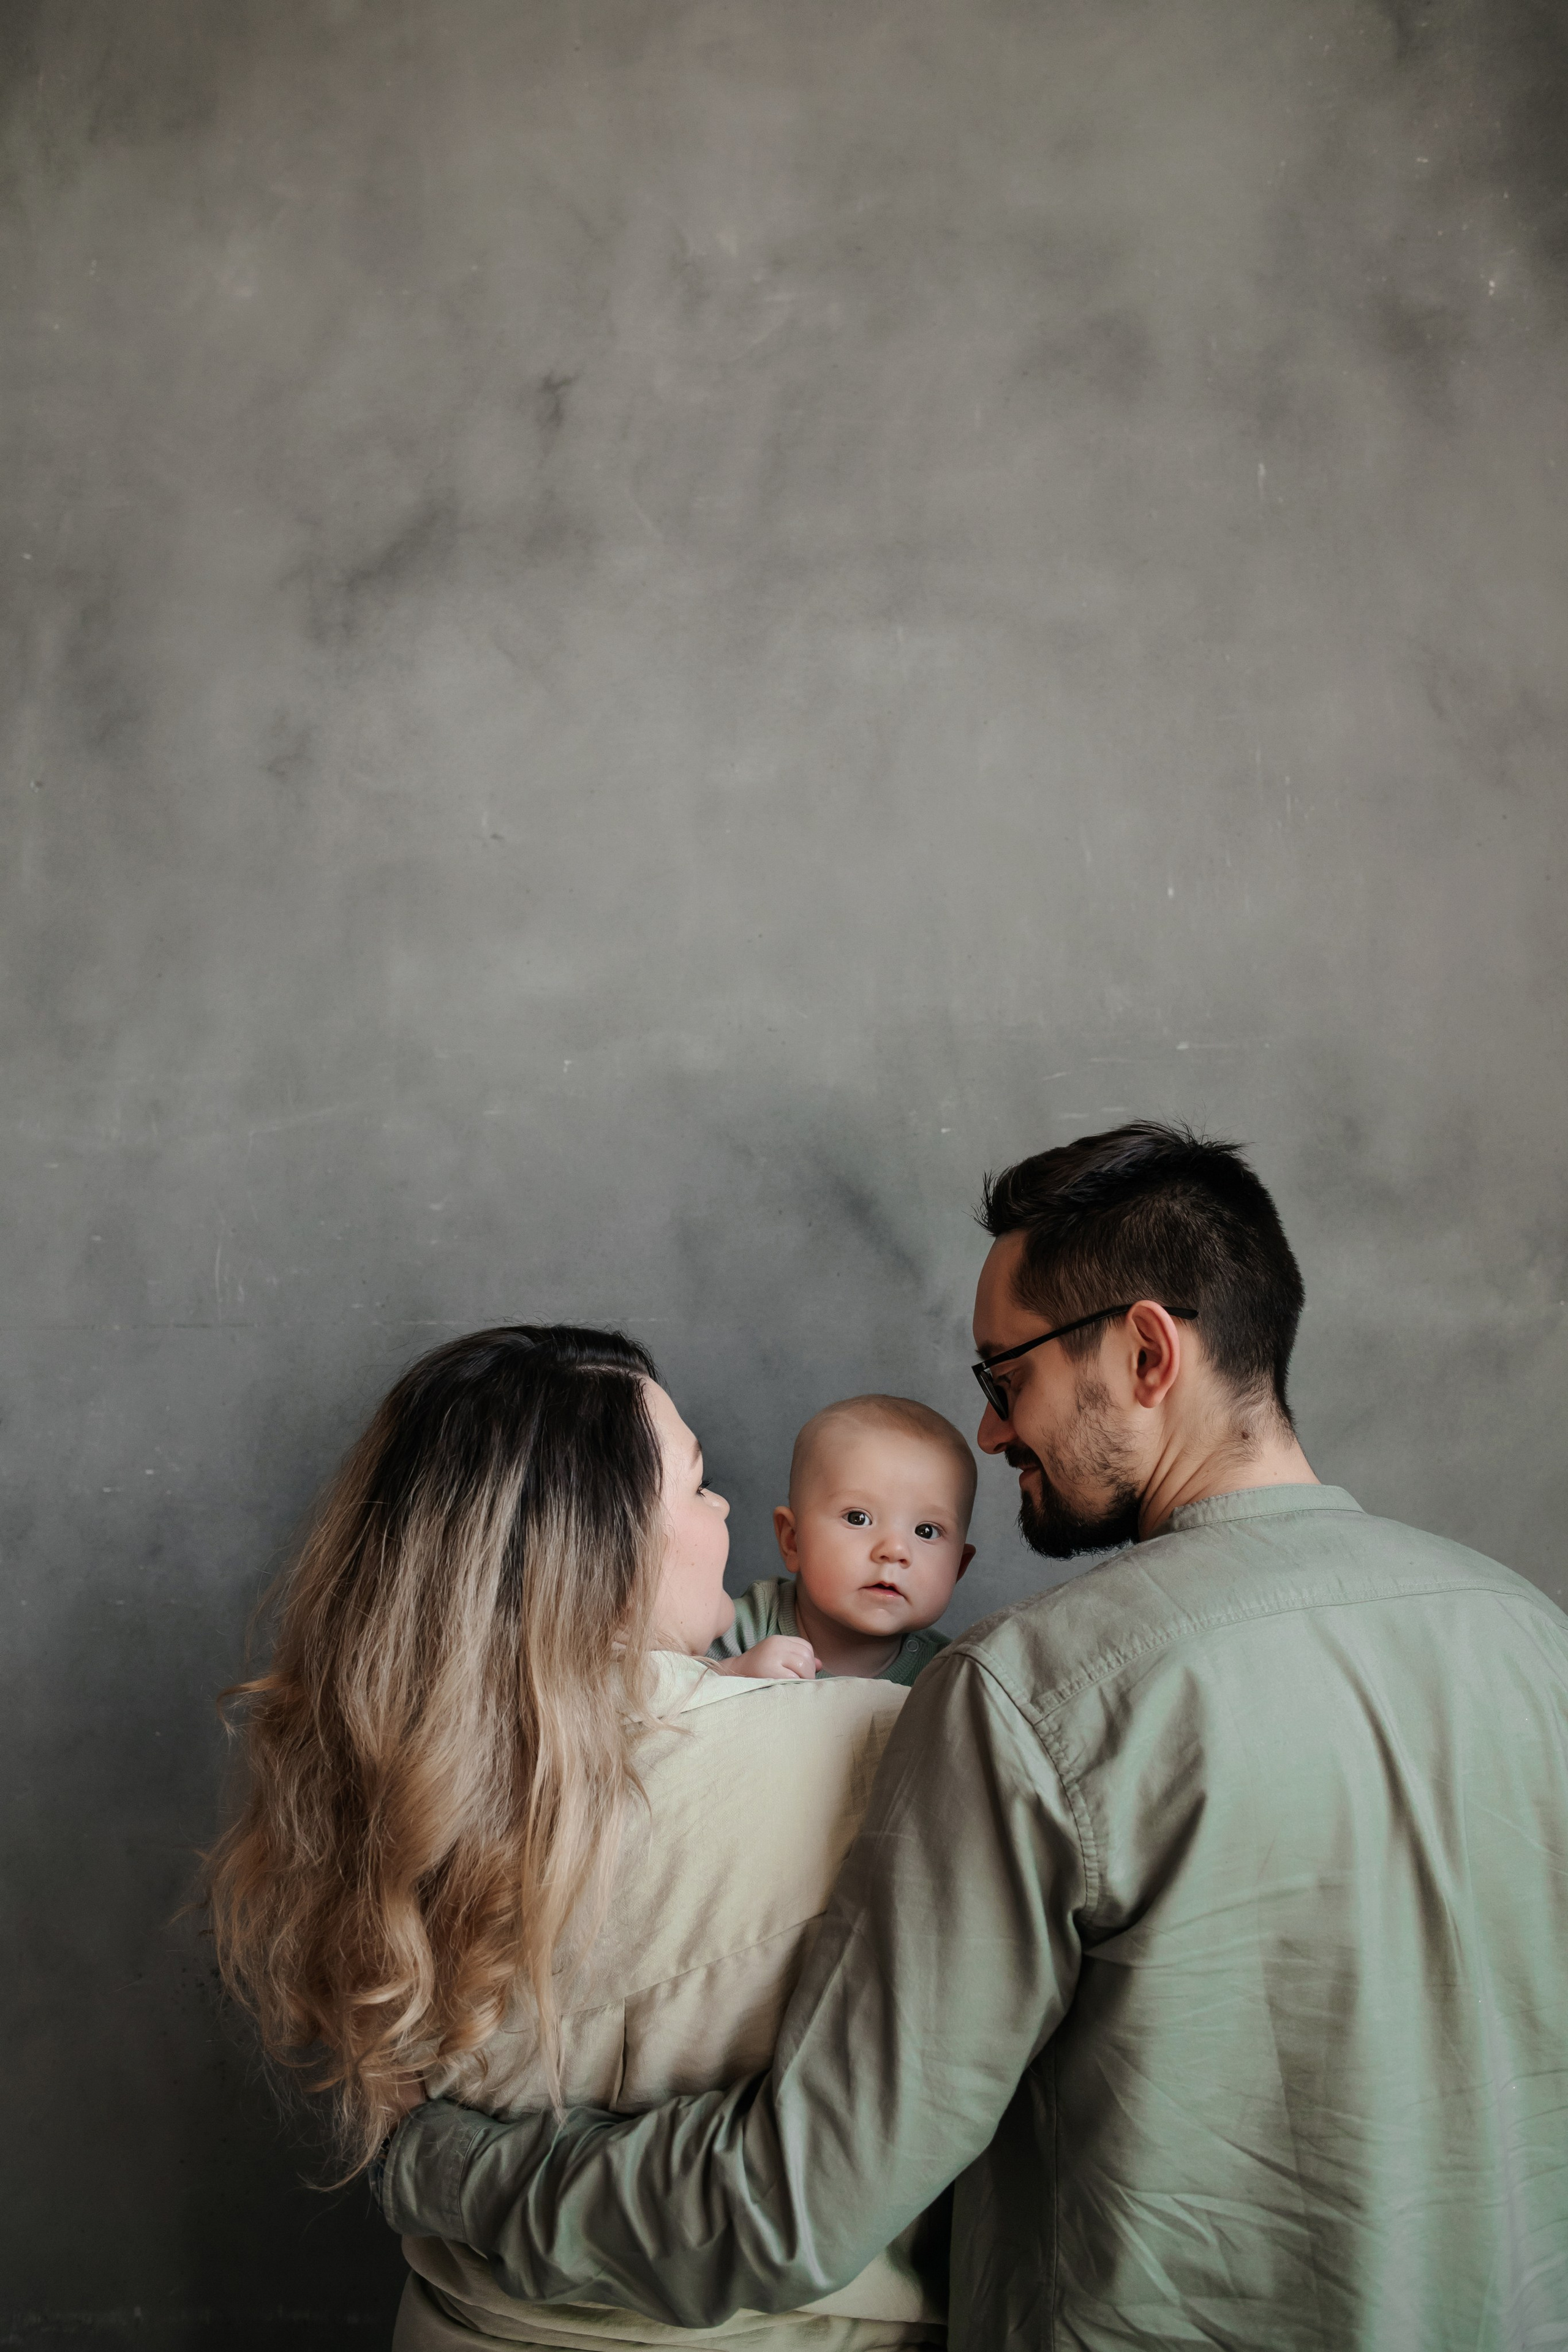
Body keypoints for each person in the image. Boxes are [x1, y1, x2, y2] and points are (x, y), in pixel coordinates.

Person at [377, 1124, 1568, 2350]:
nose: (990, 1435)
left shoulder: (1030, 1696)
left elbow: (789, 2206)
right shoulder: (1535, 1645)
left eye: (1004, 1381)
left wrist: (439, 2164)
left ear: (1146, 1353)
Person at [205, 1324, 944, 2351]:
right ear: (605, 1540)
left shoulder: (380, 1768)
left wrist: (431, 2163)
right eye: (697, 1484)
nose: (723, 1505)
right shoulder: (879, 1747)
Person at [710, 1395, 975, 1685]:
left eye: (926, 1531)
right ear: (793, 1541)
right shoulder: (738, 1628)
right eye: (858, 1518)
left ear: (958, 1568)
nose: (895, 1550)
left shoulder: (951, 1680)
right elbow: (661, 1686)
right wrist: (731, 1673)